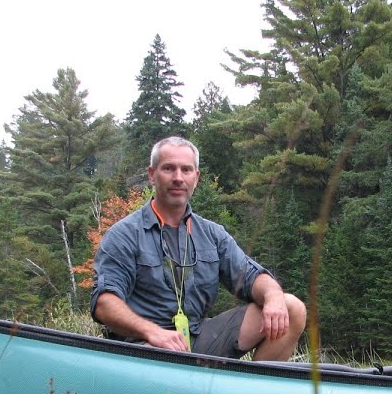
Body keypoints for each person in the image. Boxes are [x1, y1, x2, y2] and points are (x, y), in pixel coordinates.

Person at [91, 136, 307, 361]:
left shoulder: (212, 234)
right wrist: (152, 332)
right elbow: (104, 302)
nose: (178, 178)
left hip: (196, 337)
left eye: (186, 170)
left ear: (196, 177)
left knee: (292, 308)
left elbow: (252, 276)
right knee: (162, 351)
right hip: (143, 348)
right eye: (168, 169)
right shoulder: (124, 234)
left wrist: (273, 296)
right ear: (152, 175)